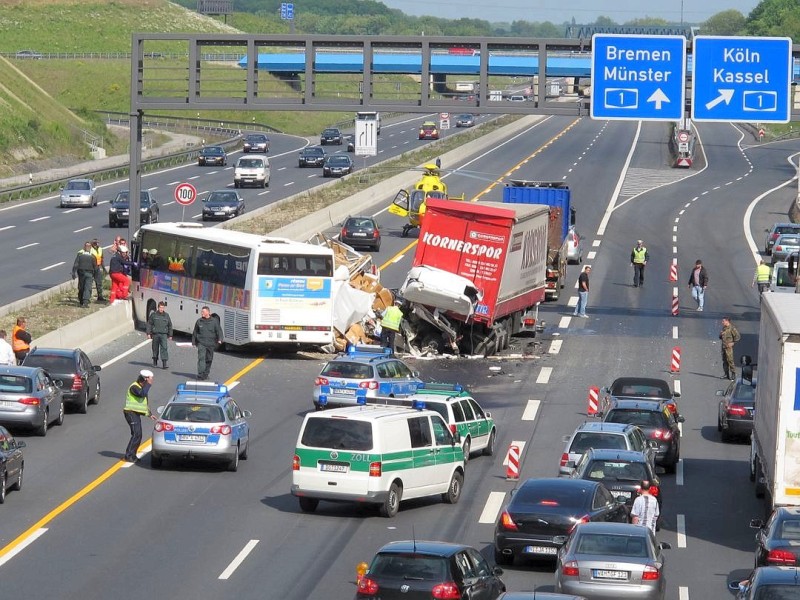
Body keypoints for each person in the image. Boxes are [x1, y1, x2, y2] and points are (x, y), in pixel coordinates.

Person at [122, 369, 156, 463]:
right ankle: (129, 455)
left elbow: (141, 404)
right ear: (144, 380)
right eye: (148, 381)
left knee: (139, 435)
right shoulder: (134, 387)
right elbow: (142, 394)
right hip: (130, 412)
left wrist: (149, 414)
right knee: (136, 434)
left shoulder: (140, 388)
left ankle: (132, 455)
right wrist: (149, 384)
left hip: (135, 413)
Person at [192, 306, 223, 380]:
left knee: (209, 359)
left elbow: (219, 331)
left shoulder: (214, 321)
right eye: (201, 311)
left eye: (203, 311)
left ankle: (206, 373)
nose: (201, 313)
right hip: (201, 343)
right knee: (201, 358)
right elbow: (195, 332)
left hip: (211, 343)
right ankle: (200, 374)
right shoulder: (199, 321)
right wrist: (193, 342)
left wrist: (220, 339)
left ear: (208, 312)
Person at [147, 301, 173, 370]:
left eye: (163, 308)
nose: (161, 309)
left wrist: (170, 335)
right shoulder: (154, 315)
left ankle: (164, 363)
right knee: (155, 348)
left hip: (163, 335)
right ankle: (155, 361)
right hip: (155, 334)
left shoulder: (166, 315)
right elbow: (149, 324)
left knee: (164, 348)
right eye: (160, 307)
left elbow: (170, 325)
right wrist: (148, 333)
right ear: (158, 308)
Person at [72, 241, 98, 308]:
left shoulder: (81, 256)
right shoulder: (92, 257)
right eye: (87, 246)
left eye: (89, 246)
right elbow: (95, 267)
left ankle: (84, 301)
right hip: (86, 273)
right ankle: (84, 301)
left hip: (83, 273)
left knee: (84, 287)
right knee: (86, 287)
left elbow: (76, 264)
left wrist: (73, 273)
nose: (88, 247)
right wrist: (96, 276)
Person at [719, 316, 741, 381]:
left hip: (728, 348)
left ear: (727, 321)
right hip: (724, 347)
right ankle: (726, 374)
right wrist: (720, 334)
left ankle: (733, 374)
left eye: (723, 321)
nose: (722, 322)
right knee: (724, 361)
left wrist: (733, 342)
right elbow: (721, 337)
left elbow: (738, 337)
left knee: (730, 361)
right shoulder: (724, 328)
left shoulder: (732, 328)